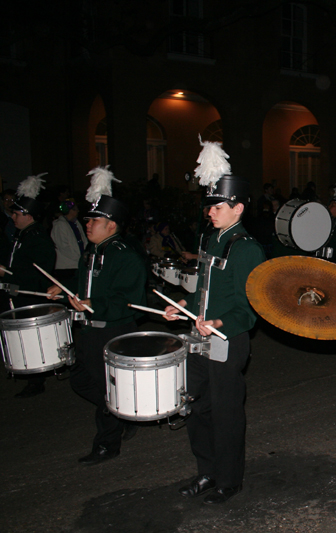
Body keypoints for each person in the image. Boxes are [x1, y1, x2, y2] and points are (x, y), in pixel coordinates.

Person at [165, 139, 265, 505]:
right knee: (195, 407)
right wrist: (183, 303)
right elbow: (202, 290)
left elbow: (249, 309)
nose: (210, 212)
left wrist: (220, 321)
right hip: (198, 336)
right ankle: (206, 472)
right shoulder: (210, 239)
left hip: (227, 340)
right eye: (209, 205)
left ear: (237, 208)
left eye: (217, 205)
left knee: (225, 414)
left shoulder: (247, 249)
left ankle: (228, 479)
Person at [47, 166, 147, 464]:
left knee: (107, 387)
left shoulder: (125, 255)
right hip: (89, 330)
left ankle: (107, 444)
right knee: (80, 380)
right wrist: (63, 289)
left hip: (112, 331)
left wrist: (93, 303)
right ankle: (122, 412)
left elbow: (129, 301)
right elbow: (85, 289)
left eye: (94, 220)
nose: (87, 224)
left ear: (112, 225)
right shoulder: (91, 253)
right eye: (88, 219)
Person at [1, 174, 57, 398]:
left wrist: (7, 273)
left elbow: (40, 273)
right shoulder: (22, 235)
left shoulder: (38, 239)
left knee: (29, 338)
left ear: (28, 215)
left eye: (16, 213)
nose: (13, 216)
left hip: (29, 295)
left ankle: (36, 378)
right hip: (15, 292)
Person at [51, 198, 88, 281]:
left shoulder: (76, 223)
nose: (78, 211)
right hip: (66, 267)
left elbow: (83, 241)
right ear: (71, 211)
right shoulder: (60, 225)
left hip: (77, 265)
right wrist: (79, 258)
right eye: (76, 209)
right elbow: (63, 246)